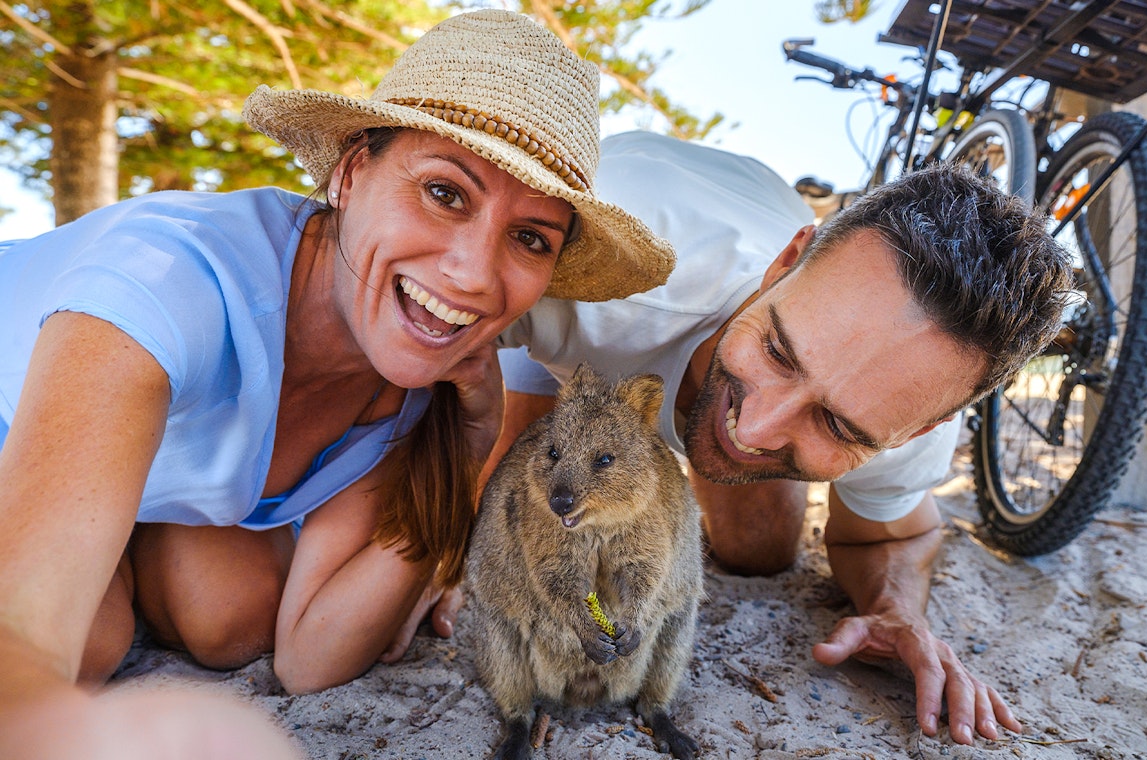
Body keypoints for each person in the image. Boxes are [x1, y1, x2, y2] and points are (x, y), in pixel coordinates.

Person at [0, 10, 674, 757]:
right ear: (351, 173)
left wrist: (470, 443)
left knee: (233, 615)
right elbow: (20, 638)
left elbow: (309, 654)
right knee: (85, 644)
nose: (474, 275)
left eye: (529, 238)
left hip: (121, 493)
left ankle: (114, 540)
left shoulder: (408, 375)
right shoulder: (166, 284)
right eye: (445, 193)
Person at [488, 131, 1074, 746]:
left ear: (919, 431)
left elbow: (901, 533)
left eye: (841, 425)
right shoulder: (593, 266)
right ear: (784, 266)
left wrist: (896, 607)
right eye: (778, 350)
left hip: (746, 237)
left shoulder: (912, 405)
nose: (757, 431)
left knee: (759, 552)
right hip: (609, 268)